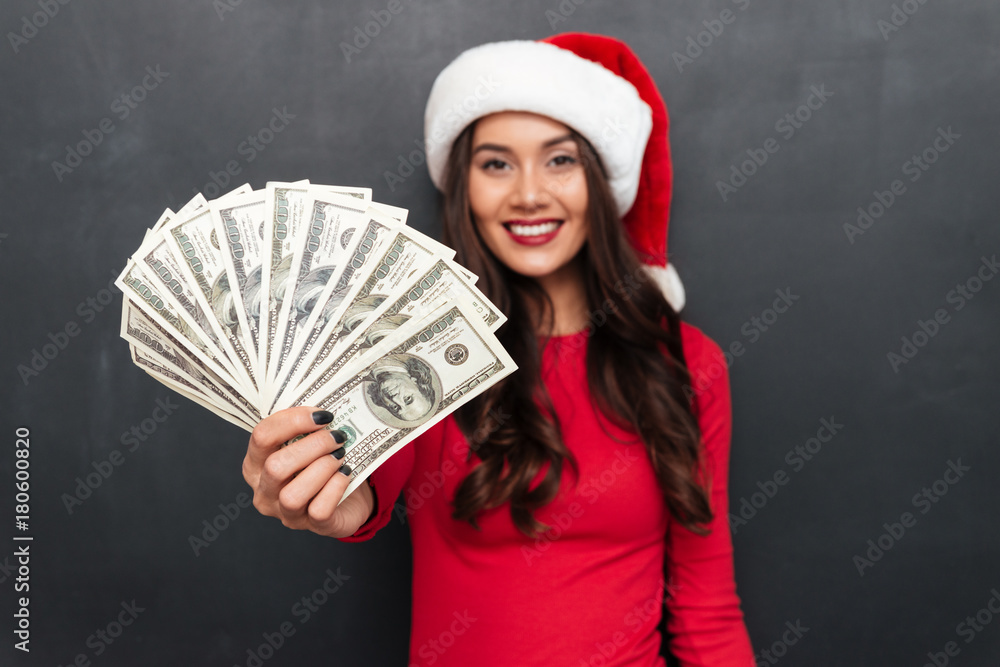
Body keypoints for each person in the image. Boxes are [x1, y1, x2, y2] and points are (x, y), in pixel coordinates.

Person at [241, 33, 755, 666]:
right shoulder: (419, 350)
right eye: (496, 163)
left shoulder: (686, 362)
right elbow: (365, 491)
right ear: (463, 186)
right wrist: (328, 499)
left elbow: (708, 611)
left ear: (599, 180)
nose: (529, 193)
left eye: (560, 160)